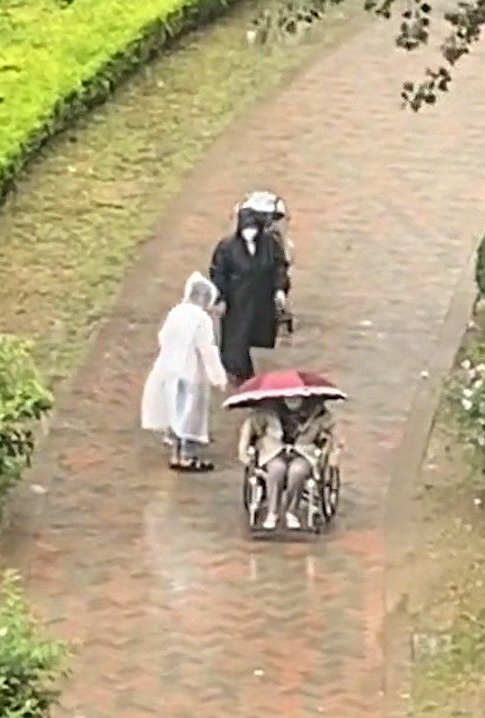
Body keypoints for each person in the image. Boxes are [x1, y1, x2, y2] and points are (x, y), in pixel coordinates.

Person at [139, 272, 229, 472]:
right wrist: (217, 376)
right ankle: (186, 457)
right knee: (189, 414)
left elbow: (163, 336)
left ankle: (175, 450)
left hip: (168, 368)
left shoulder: (176, 312)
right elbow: (207, 349)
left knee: (174, 409)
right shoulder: (202, 319)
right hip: (190, 372)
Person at [210, 205, 291, 386]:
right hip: (237, 300)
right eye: (247, 229)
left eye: (253, 229)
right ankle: (241, 374)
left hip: (261, 298)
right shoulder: (227, 247)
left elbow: (279, 267)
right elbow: (219, 273)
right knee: (236, 339)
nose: (250, 233)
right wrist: (221, 297)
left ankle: (245, 370)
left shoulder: (270, 245)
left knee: (255, 332)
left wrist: (279, 289)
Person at [238, 395, 339, 531]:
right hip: (274, 452)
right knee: (276, 469)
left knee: (297, 471)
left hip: (303, 453)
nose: (292, 399)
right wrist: (243, 450)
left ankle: (292, 511)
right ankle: (272, 512)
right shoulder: (268, 412)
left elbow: (335, 433)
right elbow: (249, 427)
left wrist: (334, 454)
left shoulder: (318, 414)